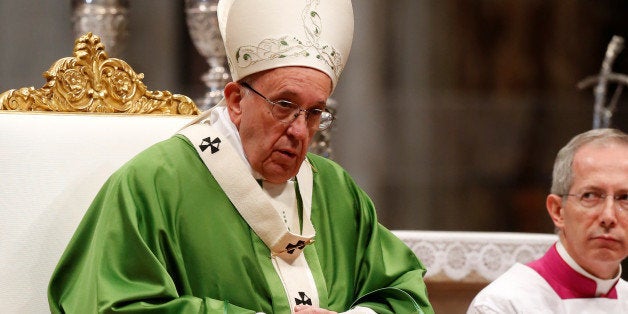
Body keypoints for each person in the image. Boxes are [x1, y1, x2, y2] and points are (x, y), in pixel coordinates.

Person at [47, 0, 434, 313]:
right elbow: (108, 304)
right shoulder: (153, 185)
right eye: (285, 104)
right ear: (235, 101)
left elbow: (405, 296)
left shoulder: (336, 190)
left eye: (315, 112)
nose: (300, 131)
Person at [467, 128, 628, 313]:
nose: (608, 216)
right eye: (590, 195)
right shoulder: (502, 305)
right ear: (558, 211)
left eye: (625, 198)